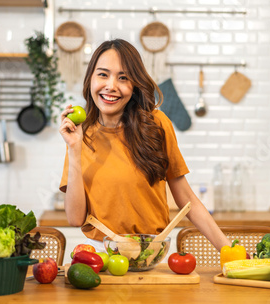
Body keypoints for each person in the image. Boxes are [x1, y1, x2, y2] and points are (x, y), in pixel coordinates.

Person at [59, 39, 230, 252]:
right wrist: (74, 149)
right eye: (103, 74)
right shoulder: (79, 136)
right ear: (90, 80)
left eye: (123, 77)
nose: (111, 86)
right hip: (100, 253)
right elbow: (75, 219)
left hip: (152, 253)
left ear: (134, 86)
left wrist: (228, 250)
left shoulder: (157, 124)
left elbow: (187, 200)